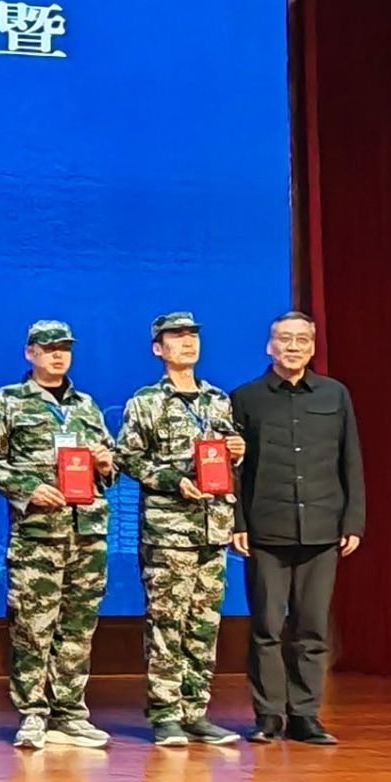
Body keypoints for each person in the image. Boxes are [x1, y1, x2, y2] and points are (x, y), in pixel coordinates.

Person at [0, 320, 119, 750]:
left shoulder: (86, 405)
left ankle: (70, 713)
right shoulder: (8, 402)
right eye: (49, 348)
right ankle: (33, 713)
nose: (58, 355)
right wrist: (28, 489)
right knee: (33, 626)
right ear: (30, 353)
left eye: (64, 348)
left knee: (79, 626)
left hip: (87, 532)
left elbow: (110, 467)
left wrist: (105, 463)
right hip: (38, 533)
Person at [230, 311, 364, 745]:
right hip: (266, 529)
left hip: (323, 527)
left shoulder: (334, 394)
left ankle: (305, 715)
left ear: (312, 346)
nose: (293, 347)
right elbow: (235, 470)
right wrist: (238, 521)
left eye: (301, 340)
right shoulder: (246, 398)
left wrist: (353, 520)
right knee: (266, 627)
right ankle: (268, 715)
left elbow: (350, 459)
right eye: (284, 339)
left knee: (312, 627)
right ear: (269, 346)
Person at [116, 311, 246, 747]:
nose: (187, 343)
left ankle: (196, 711)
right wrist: (173, 480)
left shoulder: (218, 399)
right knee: (166, 622)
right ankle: (165, 713)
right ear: (159, 349)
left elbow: (225, 458)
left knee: (203, 623)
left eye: (192, 336)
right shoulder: (146, 402)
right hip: (169, 530)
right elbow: (127, 457)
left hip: (213, 527)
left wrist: (238, 450)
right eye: (176, 337)